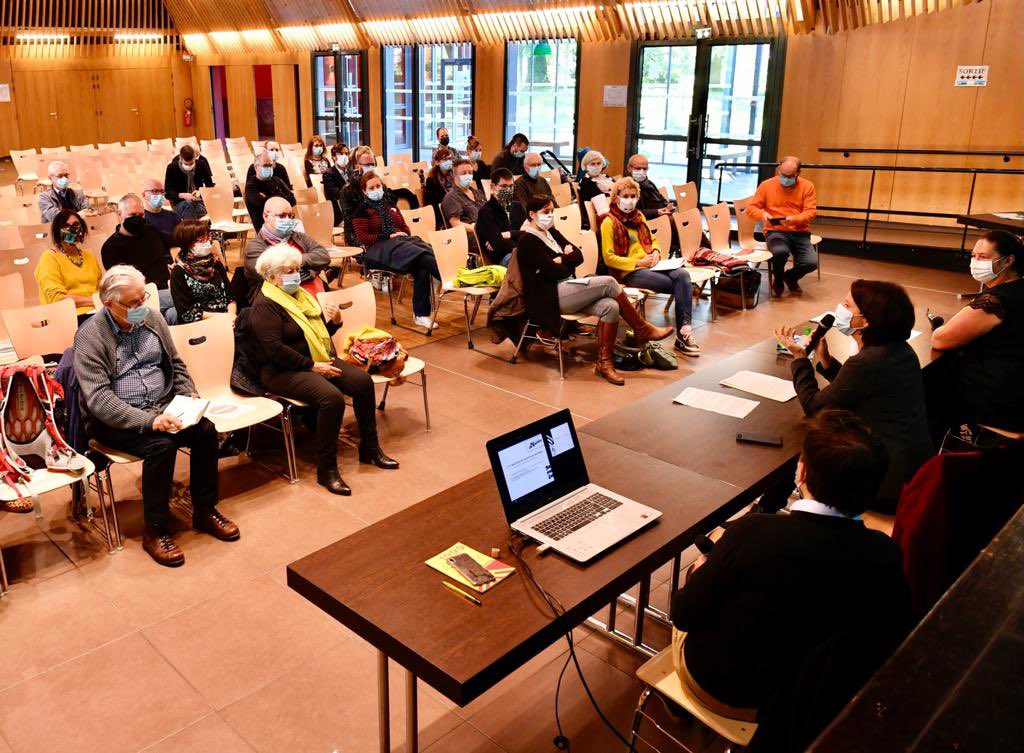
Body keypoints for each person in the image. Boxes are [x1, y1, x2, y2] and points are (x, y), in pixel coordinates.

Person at [670, 409, 912, 712]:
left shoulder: (751, 532)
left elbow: (683, 615)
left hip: (725, 688)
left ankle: (677, 705)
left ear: (801, 472)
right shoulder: (884, 554)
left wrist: (698, 571)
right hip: (811, 705)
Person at [75, 265, 240, 567]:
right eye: (133, 303)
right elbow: (99, 399)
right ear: (110, 304)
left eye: (144, 298)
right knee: (160, 446)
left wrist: (187, 393)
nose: (142, 306)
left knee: (205, 430)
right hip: (115, 418)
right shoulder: (90, 336)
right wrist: (148, 421)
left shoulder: (152, 318)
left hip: (163, 404)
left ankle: (204, 509)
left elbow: (176, 364)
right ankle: (155, 530)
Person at [250, 244, 398, 496]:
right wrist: (312, 367)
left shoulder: (302, 297)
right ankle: (327, 468)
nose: (296, 275)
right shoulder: (264, 305)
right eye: (289, 271)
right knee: (331, 398)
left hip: (315, 360)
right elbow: (274, 350)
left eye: (296, 269)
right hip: (281, 371)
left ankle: (370, 448)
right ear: (272, 277)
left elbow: (316, 337)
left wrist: (335, 323)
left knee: (362, 381)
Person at [774, 280, 933, 512]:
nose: (839, 309)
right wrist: (826, 361)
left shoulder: (868, 361)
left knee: (811, 444)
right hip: (915, 469)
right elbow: (859, 388)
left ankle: (774, 507)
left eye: (847, 306)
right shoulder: (900, 350)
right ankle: (772, 503)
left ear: (865, 321)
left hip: (884, 481)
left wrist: (799, 359)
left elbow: (813, 406)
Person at [517, 195, 673, 385]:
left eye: (551, 211)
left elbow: (578, 255)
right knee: (609, 282)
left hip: (567, 287)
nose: (550, 215)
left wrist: (562, 260)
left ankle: (604, 363)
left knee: (610, 306)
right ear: (532, 214)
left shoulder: (552, 232)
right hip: (548, 297)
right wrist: (565, 259)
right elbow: (554, 271)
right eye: (545, 212)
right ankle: (641, 328)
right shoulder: (527, 240)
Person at [931, 230, 1024, 433]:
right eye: (974, 256)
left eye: (983, 257)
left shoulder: (994, 301)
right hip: (1016, 386)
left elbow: (940, 339)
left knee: (931, 381)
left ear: (1008, 261)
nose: (975, 262)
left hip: (998, 395)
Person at [600, 178, 701, 356]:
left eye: (633, 196)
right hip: (630, 271)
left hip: (651, 264)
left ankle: (685, 330)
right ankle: (683, 338)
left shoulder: (639, 216)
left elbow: (652, 239)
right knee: (681, 285)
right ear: (616, 198)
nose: (630, 200)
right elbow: (609, 258)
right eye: (625, 196)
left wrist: (656, 251)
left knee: (683, 275)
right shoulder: (608, 222)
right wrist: (639, 263)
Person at [351, 172, 441, 330]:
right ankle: (448, 278)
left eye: (378, 186)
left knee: (421, 264)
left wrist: (401, 233)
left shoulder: (390, 205)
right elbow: (363, 238)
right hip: (377, 251)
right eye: (371, 188)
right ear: (364, 191)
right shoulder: (361, 211)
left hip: (400, 244)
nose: (376, 190)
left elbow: (405, 227)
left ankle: (421, 315)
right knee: (421, 256)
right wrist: (388, 235)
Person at [745, 156, 818, 297]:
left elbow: (810, 212)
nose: (785, 179)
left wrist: (794, 219)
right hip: (775, 231)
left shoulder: (807, 186)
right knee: (780, 252)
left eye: (790, 176)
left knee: (811, 263)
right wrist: (762, 214)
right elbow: (751, 208)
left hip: (799, 231)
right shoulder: (766, 185)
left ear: (798, 173)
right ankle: (778, 279)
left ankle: (790, 277)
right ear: (779, 169)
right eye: (783, 175)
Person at [101, 194, 177, 324]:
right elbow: (124, 287)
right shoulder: (110, 248)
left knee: (174, 314)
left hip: (164, 292)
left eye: (141, 215)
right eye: (132, 215)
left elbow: (176, 241)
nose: (138, 219)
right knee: (186, 295)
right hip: (140, 300)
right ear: (119, 215)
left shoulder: (151, 231)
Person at [243, 196, 331, 302]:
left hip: (316, 296)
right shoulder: (254, 247)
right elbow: (277, 279)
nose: (287, 220)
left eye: (290, 216)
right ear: (266, 216)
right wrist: (313, 272)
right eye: (282, 216)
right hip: (279, 302)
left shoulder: (299, 236)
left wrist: (294, 262)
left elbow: (324, 256)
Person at [34, 209, 102, 324]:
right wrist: (95, 301)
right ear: (57, 231)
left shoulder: (89, 255)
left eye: (76, 225)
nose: (72, 230)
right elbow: (57, 299)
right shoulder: (50, 258)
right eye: (66, 226)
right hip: (69, 317)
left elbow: (100, 289)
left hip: (97, 312)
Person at [170, 220, 232, 323]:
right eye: (201, 239)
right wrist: (221, 318)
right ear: (186, 243)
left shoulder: (216, 264)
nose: (207, 242)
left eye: (208, 237)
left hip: (226, 318)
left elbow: (231, 296)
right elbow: (186, 311)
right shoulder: (179, 272)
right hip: (200, 323)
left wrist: (231, 316)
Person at [476, 168, 526, 266]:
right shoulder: (485, 212)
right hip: (504, 258)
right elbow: (499, 245)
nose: (508, 190)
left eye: (511, 186)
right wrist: (519, 236)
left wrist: (509, 234)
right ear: (492, 186)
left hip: (521, 251)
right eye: (504, 186)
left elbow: (530, 232)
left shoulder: (518, 206)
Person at [245, 150, 296, 231]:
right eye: (265, 165)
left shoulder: (278, 180)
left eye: (270, 165)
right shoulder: (251, 186)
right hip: (265, 226)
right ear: (256, 167)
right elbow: (261, 203)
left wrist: (269, 198)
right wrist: (281, 195)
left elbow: (292, 200)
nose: (269, 168)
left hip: (285, 222)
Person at [164, 145, 214, 220]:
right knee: (187, 206)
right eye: (186, 164)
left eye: (191, 163)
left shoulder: (201, 164)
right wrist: (183, 195)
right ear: (180, 158)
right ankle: (194, 226)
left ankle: (191, 226)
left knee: (193, 209)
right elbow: (168, 193)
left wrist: (200, 191)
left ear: (194, 157)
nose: (189, 166)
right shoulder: (172, 168)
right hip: (180, 202)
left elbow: (210, 186)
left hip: (198, 201)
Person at [440, 159, 486, 235]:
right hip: (471, 236)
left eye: (470, 173)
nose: (468, 176)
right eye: (464, 173)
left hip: (487, 231)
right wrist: (478, 228)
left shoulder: (478, 193)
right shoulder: (451, 197)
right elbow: (456, 224)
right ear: (455, 176)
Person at [625, 154, 676, 221]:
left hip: (660, 216)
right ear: (629, 168)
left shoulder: (649, 183)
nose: (641, 171)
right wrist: (656, 212)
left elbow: (660, 198)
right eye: (638, 168)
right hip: (645, 220)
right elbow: (631, 212)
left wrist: (668, 206)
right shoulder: (626, 187)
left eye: (644, 169)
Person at [578, 150, 614, 229]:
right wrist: (613, 194)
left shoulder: (606, 177)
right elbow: (600, 198)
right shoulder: (586, 181)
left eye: (598, 163)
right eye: (593, 164)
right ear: (586, 166)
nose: (596, 166)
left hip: (613, 208)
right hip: (600, 214)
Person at [424, 147, 456, 226]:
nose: (448, 161)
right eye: (445, 159)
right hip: (441, 214)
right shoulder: (431, 180)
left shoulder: (455, 177)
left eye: (450, 159)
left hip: (455, 209)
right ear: (437, 162)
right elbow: (430, 205)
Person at [323, 142, 351, 226]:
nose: (344, 156)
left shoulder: (351, 172)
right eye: (341, 154)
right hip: (339, 212)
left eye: (346, 154)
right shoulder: (328, 174)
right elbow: (336, 195)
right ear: (334, 157)